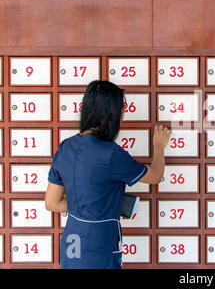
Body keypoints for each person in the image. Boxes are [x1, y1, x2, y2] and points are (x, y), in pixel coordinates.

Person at [44, 80, 171, 269]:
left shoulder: (65, 147)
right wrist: (159, 147)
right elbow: (155, 176)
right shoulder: (111, 154)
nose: (123, 117)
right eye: (121, 111)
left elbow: (52, 203)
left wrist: (91, 205)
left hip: (71, 242)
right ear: (111, 115)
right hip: (98, 246)